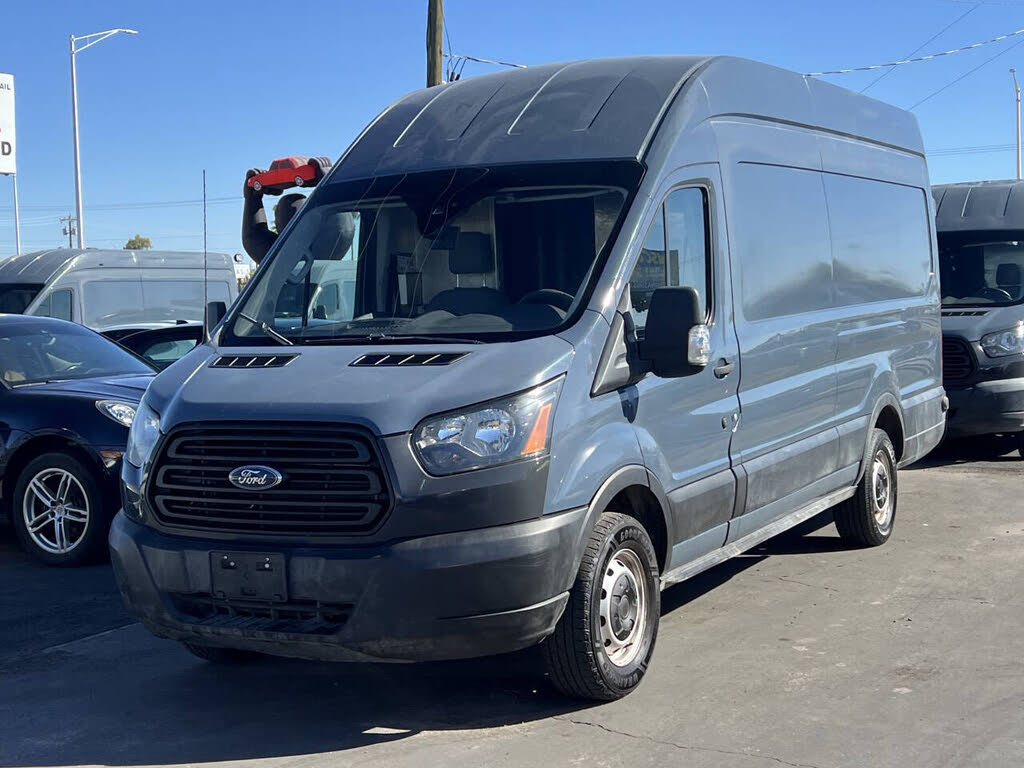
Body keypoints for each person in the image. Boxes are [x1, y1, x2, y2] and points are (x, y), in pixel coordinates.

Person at [241, 158, 330, 264]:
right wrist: (328, 182)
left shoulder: (276, 255)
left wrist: (252, 199)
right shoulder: (327, 247)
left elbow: (252, 236)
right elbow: (342, 228)